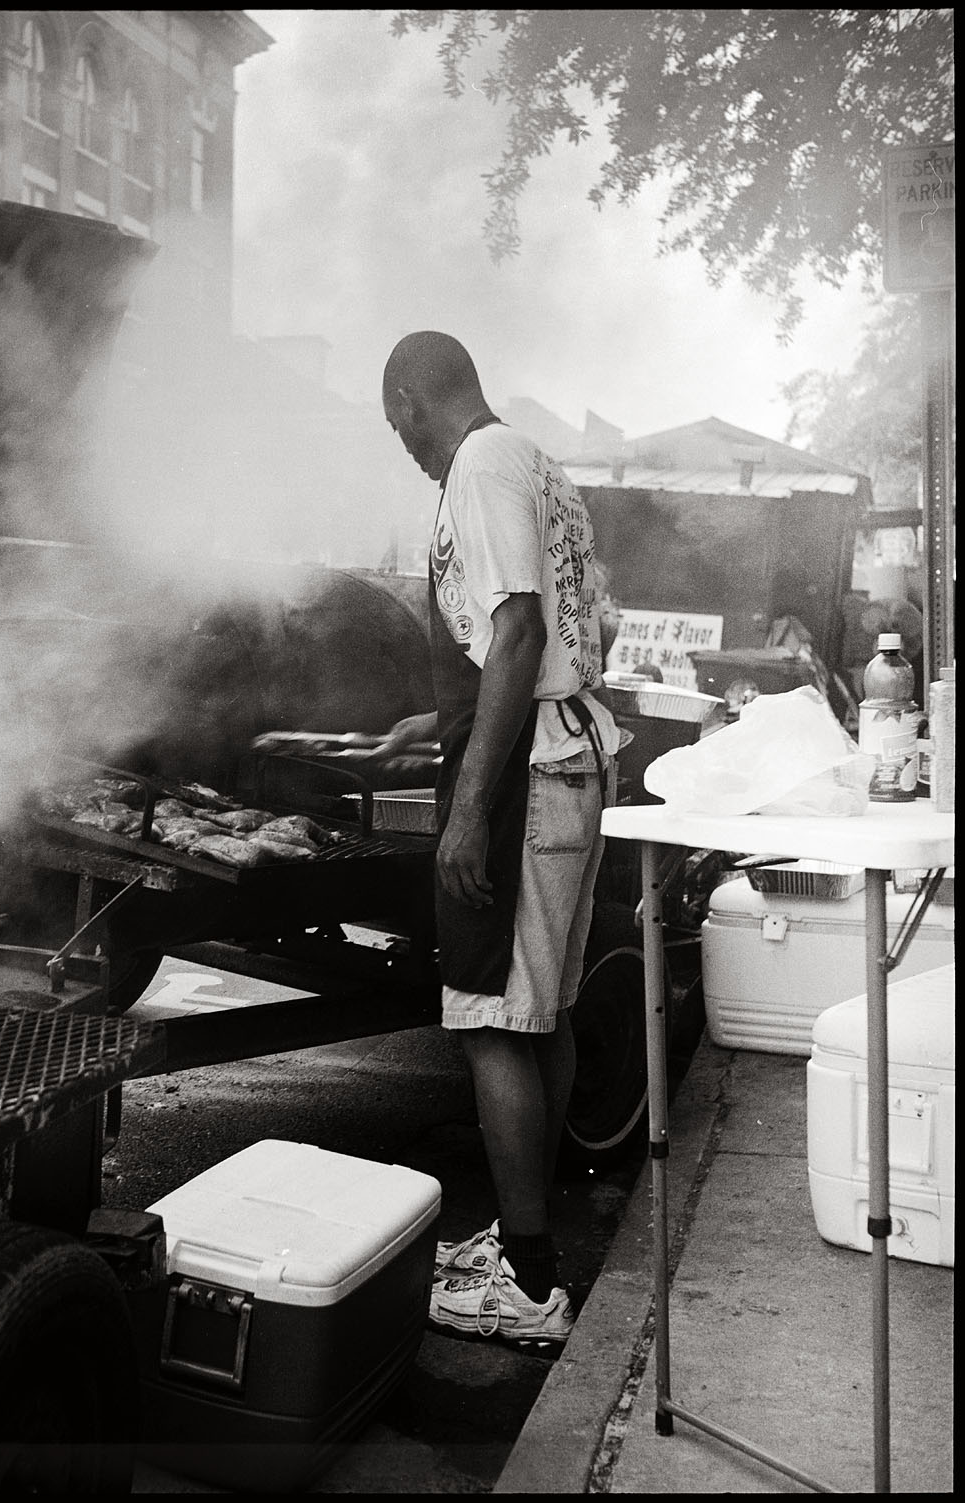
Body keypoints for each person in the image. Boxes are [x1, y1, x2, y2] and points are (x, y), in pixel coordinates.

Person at [376, 330, 621, 1347]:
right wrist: (437, 726)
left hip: (524, 776)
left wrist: (468, 807)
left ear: (408, 402)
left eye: (402, 433)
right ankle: (528, 1245)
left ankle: (526, 1288)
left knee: (489, 1022)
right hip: (561, 751)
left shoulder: (477, 462)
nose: (409, 453)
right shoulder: (529, 459)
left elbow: (518, 628)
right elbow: (539, 634)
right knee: (542, 1012)